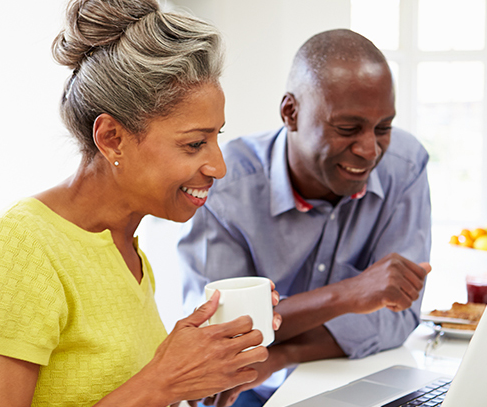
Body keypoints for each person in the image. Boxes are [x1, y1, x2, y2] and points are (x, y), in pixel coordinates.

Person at [0, 1, 281, 406]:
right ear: (112, 138)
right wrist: (163, 382)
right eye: (194, 144)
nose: (219, 166)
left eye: (216, 138)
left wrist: (202, 388)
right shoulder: (15, 254)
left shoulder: (126, 252)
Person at [178, 29, 432, 407]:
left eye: (383, 129)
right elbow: (218, 336)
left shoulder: (405, 166)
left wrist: (281, 354)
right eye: (347, 128)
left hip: (357, 381)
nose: (369, 149)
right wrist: (349, 295)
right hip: (249, 389)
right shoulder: (227, 186)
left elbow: (395, 316)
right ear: (290, 113)